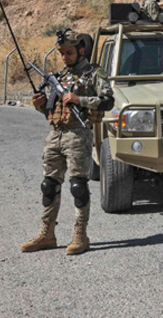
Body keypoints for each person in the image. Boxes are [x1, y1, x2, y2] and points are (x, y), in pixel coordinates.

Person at [21, 29, 114, 255]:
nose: (65, 57)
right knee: (49, 185)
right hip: (55, 134)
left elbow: (108, 102)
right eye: (62, 53)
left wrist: (79, 99)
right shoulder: (60, 77)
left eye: (69, 52)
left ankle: (80, 235)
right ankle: (47, 234)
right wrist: (41, 105)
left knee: (78, 186)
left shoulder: (94, 73)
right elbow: (53, 111)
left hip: (78, 135)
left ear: (81, 50)